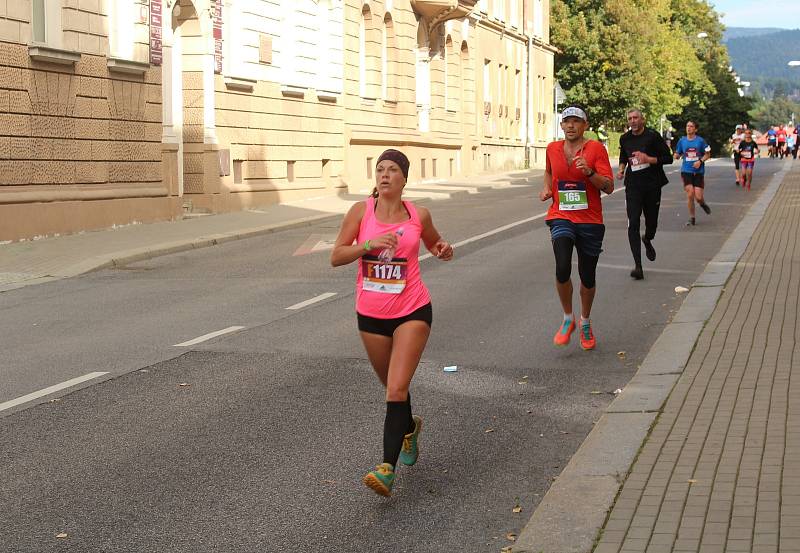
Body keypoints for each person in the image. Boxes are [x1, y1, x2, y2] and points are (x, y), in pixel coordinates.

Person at [330, 149, 453, 497]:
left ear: (404, 178)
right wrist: (367, 244)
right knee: (394, 391)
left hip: (412, 310)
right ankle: (409, 428)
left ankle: (386, 469)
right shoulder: (360, 212)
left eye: (392, 170)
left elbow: (436, 243)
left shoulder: (418, 214)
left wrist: (444, 250)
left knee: (396, 390)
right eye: (380, 169)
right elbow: (336, 256)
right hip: (371, 316)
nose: (384, 175)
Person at [540, 104, 613, 350]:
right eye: (566, 121)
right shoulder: (552, 148)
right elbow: (549, 172)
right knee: (562, 266)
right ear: (561, 125)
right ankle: (568, 318)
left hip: (590, 219)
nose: (570, 125)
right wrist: (547, 189)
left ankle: (585, 321)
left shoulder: (596, 149)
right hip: (561, 215)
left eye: (576, 121)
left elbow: (609, 187)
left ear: (585, 125)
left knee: (587, 275)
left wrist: (589, 172)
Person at [617, 109, 674, 280]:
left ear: (643, 120)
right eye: (630, 118)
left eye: (636, 118)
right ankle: (638, 266)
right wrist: (621, 169)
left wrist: (649, 159)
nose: (632, 121)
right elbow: (623, 156)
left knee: (651, 223)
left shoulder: (652, 136)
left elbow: (668, 158)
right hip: (633, 186)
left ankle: (647, 239)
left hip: (652, 185)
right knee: (633, 222)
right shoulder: (625, 138)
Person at [674, 121, 712, 227]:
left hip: (698, 172)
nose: (689, 128)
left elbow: (707, 154)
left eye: (691, 126)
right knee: (690, 194)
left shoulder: (700, 141)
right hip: (686, 171)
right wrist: (676, 155)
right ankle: (692, 218)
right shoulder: (682, 141)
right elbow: (678, 152)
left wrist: (700, 161)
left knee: (698, 197)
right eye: (687, 126)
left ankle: (702, 203)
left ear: (696, 129)